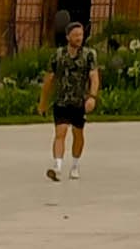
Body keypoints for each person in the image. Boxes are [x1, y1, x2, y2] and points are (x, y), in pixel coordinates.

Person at [43, 18, 98, 182]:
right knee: (60, 132)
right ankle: (57, 167)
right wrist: (43, 102)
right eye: (75, 35)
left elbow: (94, 77)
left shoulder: (89, 55)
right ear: (68, 37)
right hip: (61, 101)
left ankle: (75, 164)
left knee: (78, 133)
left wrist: (92, 97)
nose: (79, 38)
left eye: (81, 35)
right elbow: (49, 79)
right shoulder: (58, 55)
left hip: (79, 101)